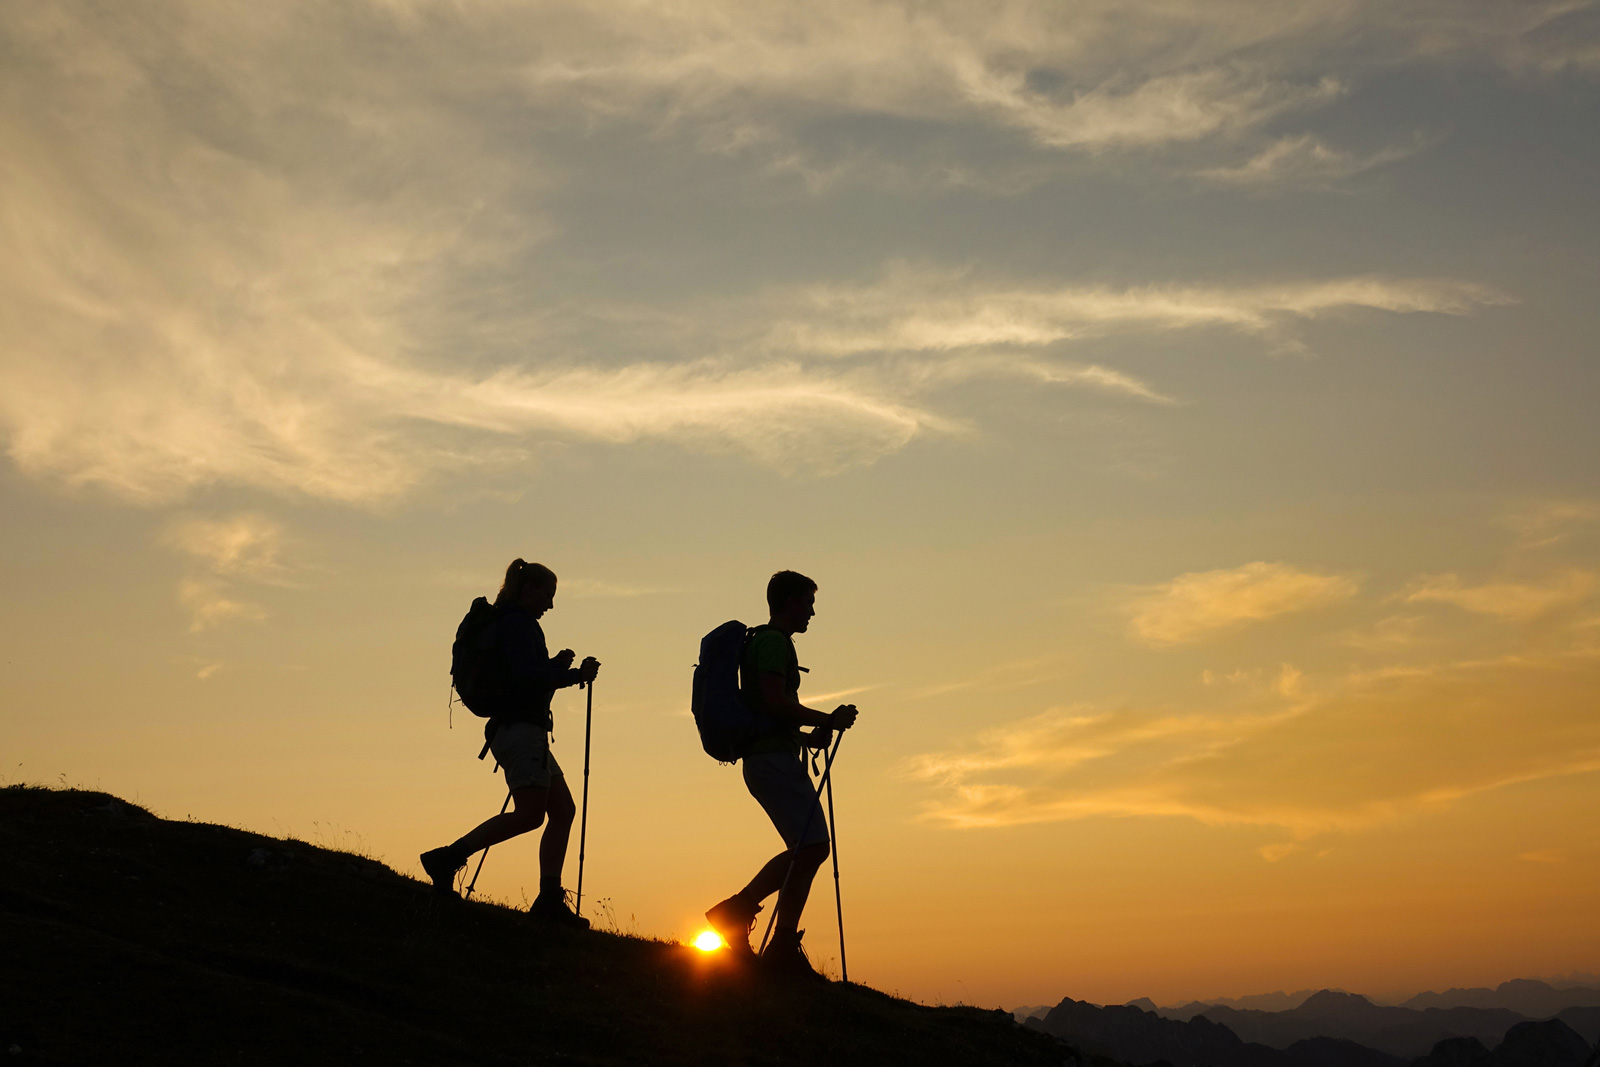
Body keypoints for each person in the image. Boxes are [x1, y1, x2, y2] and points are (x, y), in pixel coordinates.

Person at [421, 559, 599, 927]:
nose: (549, 604)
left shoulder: (510, 622)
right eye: (546, 595)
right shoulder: (519, 623)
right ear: (528, 589)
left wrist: (555, 667)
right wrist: (572, 675)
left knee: (562, 810)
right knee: (531, 814)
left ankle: (549, 898)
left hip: (520, 731)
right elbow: (524, 676)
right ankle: (447, 858)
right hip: (520, 731)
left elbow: (523, 674)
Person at [705, 570, 859, 977]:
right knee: (811, 847)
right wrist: (829, 718)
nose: (811, 612)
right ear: (788, 602)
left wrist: (810, 737)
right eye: (807, 603)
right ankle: (765, 933)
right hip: (772, 760)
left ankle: (764, 932)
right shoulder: (773, 643)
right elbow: (774, 702)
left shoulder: (766, 641)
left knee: (806, 848)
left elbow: (769, 710)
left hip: (771, 757)